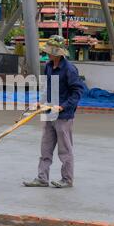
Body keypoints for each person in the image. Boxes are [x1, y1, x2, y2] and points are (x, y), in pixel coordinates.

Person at [24, 35, 85, 188]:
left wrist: (63, 106)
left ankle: (67, 180)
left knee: (65, 150)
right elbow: (46, 88)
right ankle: (42, 178)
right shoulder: (49, 66)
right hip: (49, 113)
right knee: (45, 148)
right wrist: (40, 102)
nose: (48, 54)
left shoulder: (70, 69)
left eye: (51, 51)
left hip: (63, 116)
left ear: (58, 52)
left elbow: (77, 92)